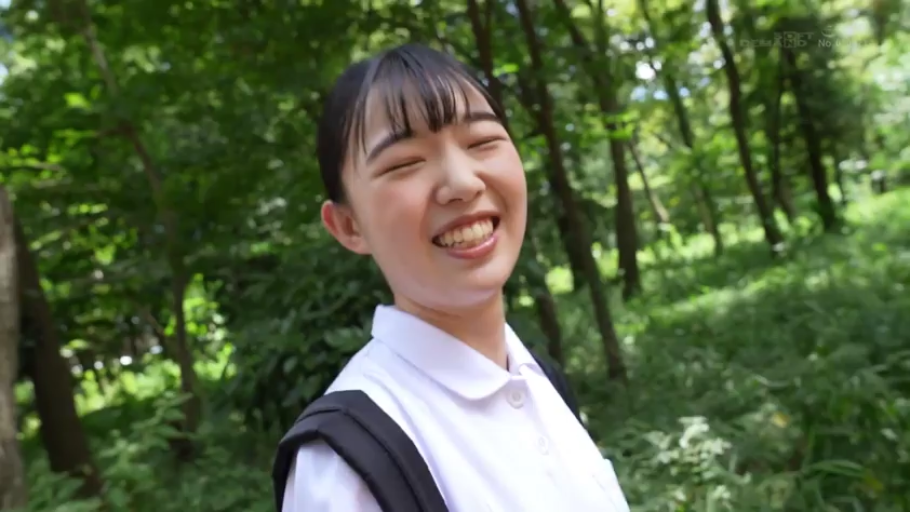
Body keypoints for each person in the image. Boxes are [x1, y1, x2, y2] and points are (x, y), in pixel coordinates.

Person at [279, 43, 630, 511]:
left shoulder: (539, 381)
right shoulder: (347, 466)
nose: (463, 183)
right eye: (405, 163)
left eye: (482, 142)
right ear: (348, 225)